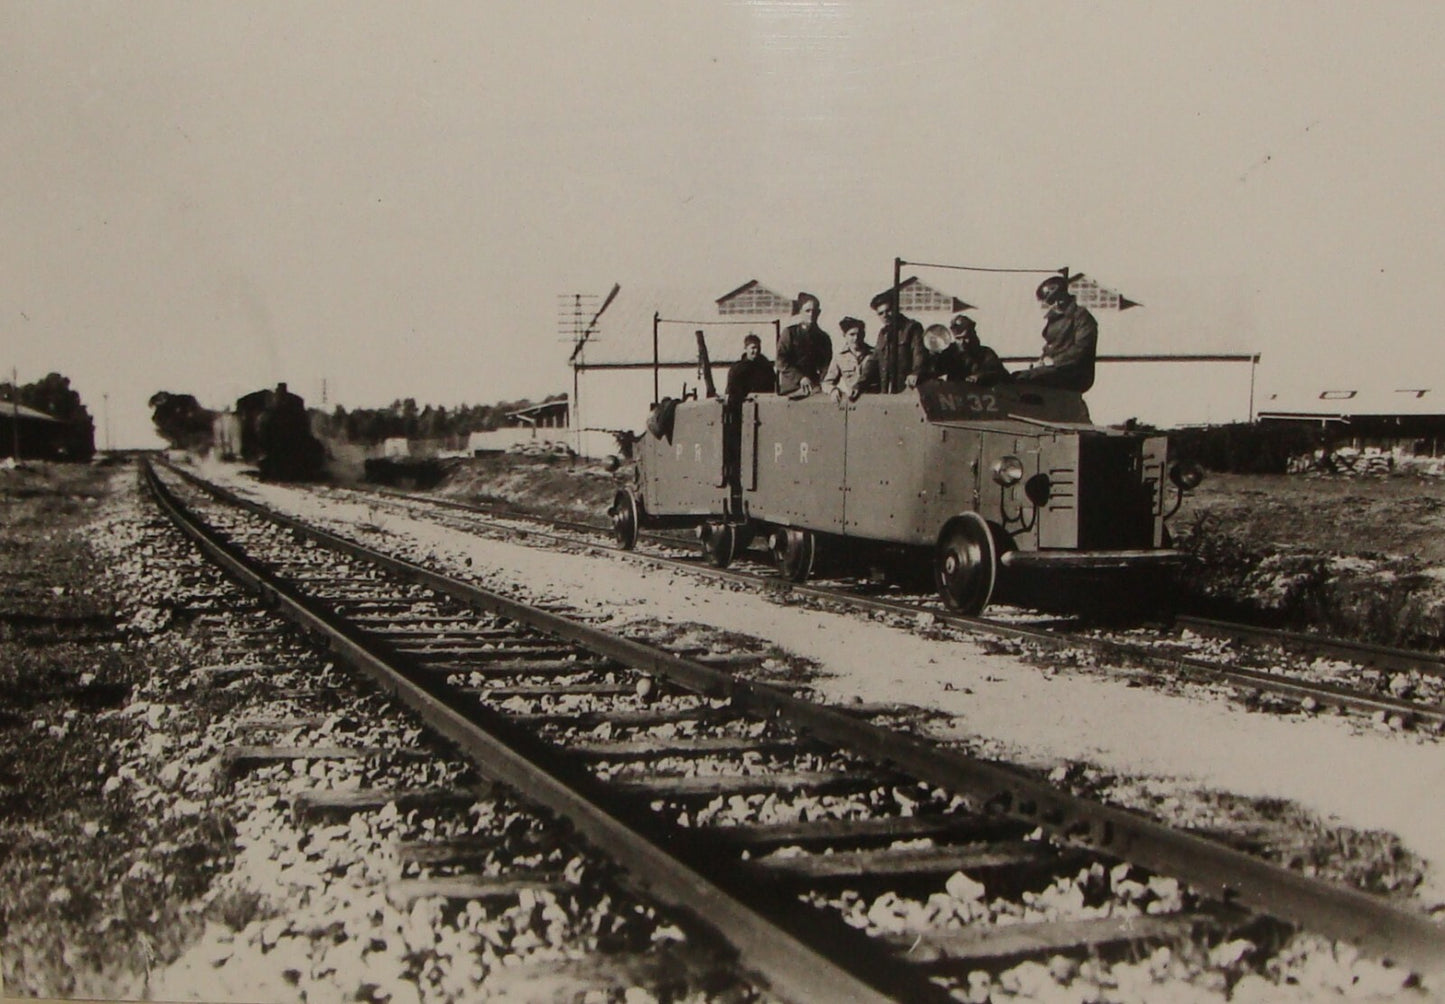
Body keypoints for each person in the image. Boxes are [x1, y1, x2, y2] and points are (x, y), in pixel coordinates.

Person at [1013, 275, 1098, 392]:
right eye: (1051, 301)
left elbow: (1082, 348)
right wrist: (1042, 360)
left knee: (1027, 379)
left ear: (1066, 294)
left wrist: (1054, 361)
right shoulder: (1055, 319)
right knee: (1017, 377)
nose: (1057, 303)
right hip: (1056, 369)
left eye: (1060, 298)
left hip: (1075, 373)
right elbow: (1051, 346)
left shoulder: (1081, 317)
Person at [775, 292, 833, 397]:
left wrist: (822, 382)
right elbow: (781, 362)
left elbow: (826, 366)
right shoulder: (789, 333)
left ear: (819, 313)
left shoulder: (823, 338)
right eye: (807, 311)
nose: (811, 314)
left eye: (814, 311)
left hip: (815, 389)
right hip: (792, 389)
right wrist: (800, 378)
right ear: (800, 312)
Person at [870, 290, 926, 393]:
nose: (885, 315)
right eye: (880, 313)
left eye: (888, 310)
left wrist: (915, 373)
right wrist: (858, 385)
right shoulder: (883, 334)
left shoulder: (912, 328)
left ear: (896, 309)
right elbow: (873, 360)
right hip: (887, 390)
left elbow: (918, 353)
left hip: (908, 388)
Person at [933, 314, 1009, 386]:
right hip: (953, 395)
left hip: (980, 394)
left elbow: (996, 372)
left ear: (973, 335)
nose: (963, 342)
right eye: (958, 338)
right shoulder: (948, 353)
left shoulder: (985, 353)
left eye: (966, 337)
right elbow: (933, 371)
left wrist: (979, 377)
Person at [821, 316, 879, 402]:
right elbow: (826, 383)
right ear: (844, 335)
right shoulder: (840, 357)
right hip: (854, 401)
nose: (856, 338)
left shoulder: (874, 354)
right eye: (852, 334)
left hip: (874, 401)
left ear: (864, 334)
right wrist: (833, 390)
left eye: (859, 334)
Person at [723, 332, 776, 405]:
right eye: (753, 348)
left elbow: (772, 389)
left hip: (763, 405)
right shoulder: (737, 369)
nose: (756, 351)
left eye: (758, 348)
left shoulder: (766, 368)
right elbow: (732, 392)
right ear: (746, 348)